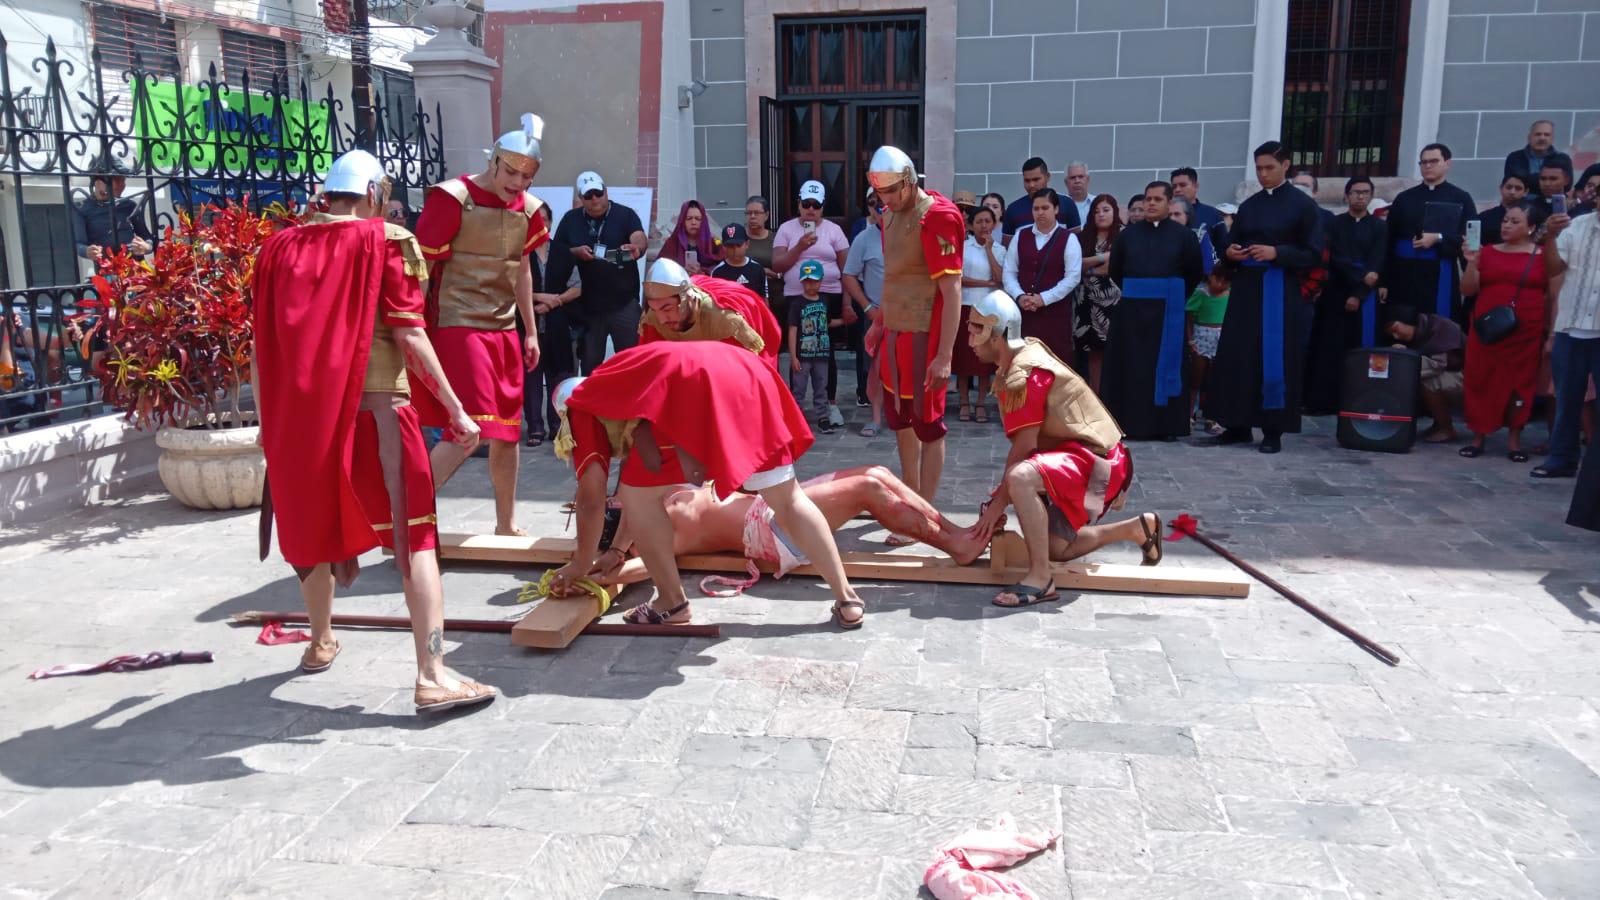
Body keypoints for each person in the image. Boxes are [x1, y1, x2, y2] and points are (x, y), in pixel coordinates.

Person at [252, 149, 497, 713]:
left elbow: (261, 351)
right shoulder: (386, 240)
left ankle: (319, 642)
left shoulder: (276, 251)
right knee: (415, 539)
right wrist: (458, 411)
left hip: (303, 425)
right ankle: (431, 675)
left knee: (310, 531)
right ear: (373, 195)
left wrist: (270, 428)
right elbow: (410, 336)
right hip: (379, 416)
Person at [549, 341, 867, 628]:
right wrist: (617, 550)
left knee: (638, 497)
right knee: (788, 499)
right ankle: (847, 597)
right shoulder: (616, 379)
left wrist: (579, 563)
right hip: (748, 374)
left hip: (705, 386)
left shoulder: (581, 407)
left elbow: (591, 497)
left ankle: (671, 602)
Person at [966, 290, 1162, 607]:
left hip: (1099, 461)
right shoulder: (1018, 359)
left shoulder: (1026, 374)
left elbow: (1025, 448)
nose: (971, 339)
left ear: (999, 333)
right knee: (1056, 548)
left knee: (1020, 478)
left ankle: (1041, 580)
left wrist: (999, 502)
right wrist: (999, 499)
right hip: (1081, 457)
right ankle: (1137, 529)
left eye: (978, 329)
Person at [412, 113, 548, 536]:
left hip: (502, 328)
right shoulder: (453, 198)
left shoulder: (528, 210)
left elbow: (521, 268)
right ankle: (407, 518)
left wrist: (529, 329)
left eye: (526, 176)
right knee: (467, 428)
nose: (517, 182)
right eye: (511, 171)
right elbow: (423, 267)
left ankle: (505, 524)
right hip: (458, 324)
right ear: (493, 161)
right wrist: (412, 327)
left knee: (507, 433)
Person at [578, 466, 1001, 591]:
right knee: (870, 489)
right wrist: (592, 578)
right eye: (616, 504)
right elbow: (644, 569)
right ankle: (956, 546)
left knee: (877, 471)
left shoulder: (658, 496)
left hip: (766, 509)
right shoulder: (659, 531)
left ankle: (956, 533)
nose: (619, 498)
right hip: (768, 533)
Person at [1211, 141, 1325, 454]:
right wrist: (1231, 252)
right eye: (1259, 168)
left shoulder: (1303, 206)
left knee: (1274, 357)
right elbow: (1233, 244)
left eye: (1269, 168)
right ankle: (1237, 425)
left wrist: (1278, 252)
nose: (1263, 175)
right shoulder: (1250, 206)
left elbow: (1314, 252)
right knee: (1239, 354)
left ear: (1285, 165)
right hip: (1247, 289)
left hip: (1279, 289)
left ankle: (1273, 430)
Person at [869, 146, 966, 510]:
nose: (888, 199)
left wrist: (944, 356)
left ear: (910, 181)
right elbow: (895, 277)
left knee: (928, 424)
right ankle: (910, 495)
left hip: (926, 334)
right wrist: (879, 321)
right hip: (896, 334)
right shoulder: (888, 215)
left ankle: (925, 511)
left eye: (893, 191)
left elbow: (951, 289)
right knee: (901, 418)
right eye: (882, 192)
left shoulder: (937, 216)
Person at [1103, 182, 1204, 440]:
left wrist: (1169, 294)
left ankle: (1166, 427)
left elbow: (1193, 272)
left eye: (1157, 199)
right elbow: (1116, 270)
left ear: (1169, 203)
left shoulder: (1184, 236)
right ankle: (1129, 423)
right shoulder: (1128, 235)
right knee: (1132, 367)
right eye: (1148, 199)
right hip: (1132, 314)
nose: (1150, 203)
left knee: (1164, 366)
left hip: (1167, 313)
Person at [1458, 203, 1551, 462]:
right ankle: (1478, 435)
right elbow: (1467, 290)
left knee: (1520, 381)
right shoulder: (1486, 252)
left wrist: (1550, 331)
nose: (1506, 226)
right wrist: (1471, 263)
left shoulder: (1542, 255)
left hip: (1525, 330)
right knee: (1481, 378)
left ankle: (1514, 440)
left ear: (1531, 227)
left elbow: (1551, 292)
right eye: (1505, 220)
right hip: (1489, 328)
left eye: (1514, 222)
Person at [546, 170, 649, 374]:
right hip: (588, 308)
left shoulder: (625, 214)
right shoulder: (570, 220)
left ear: (606, 191)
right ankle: (592, 405)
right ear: (581, 199)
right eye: (588, 196)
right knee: (590, 365)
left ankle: (631, 404)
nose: (594, 199)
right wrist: (575, 252)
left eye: (598, 193)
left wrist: (636, 247)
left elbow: (639, 237)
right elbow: (556, 253)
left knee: (633, 362)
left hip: (623, 304)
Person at [1303, 176, 1389, 415]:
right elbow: (1335, 257)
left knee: (1362, 349)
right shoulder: (1334, 224)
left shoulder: (1380, 227)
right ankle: (1324, 401)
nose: (1360, 196)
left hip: (1366, 298)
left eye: (1364, 192)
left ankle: (1359, 400)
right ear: (1346, 195)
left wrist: (1360, 293)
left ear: (1370, 196)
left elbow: (1378, 262)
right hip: (1335, 292)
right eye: (1355, 192)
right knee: (1328, 348)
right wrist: (1361, 276)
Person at [773, 179, 852, 428]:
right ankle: (794, 407)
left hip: (828, 294)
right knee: (798, 350)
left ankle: (829, 404)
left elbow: (846, 269)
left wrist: (848, 303)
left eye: (815, 205)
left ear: (823, 207)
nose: (810, 210)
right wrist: (800, 246)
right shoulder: (787, 229)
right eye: (806, 204)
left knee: (824, 351)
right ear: (798, 204)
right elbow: (778, 265)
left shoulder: (833, 231)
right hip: (796, 296)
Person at [1533, 208, 1597, 478]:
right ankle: (1562, 458)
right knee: (1567, 399)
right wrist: (1550, 236)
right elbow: (1553, 268)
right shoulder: (1578, 225)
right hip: (1571, 326)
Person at [1386, 143, 1475, 322]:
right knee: (1402, 322)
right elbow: (1388, 239)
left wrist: (1439, 238)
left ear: (1447, 163)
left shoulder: (1460, 197)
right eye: (1423, 162)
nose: (1427, 166)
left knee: (1438, 326)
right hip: (1404, 273)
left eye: (1433, 161)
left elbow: (1472, 238)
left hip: (1440, 273)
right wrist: (1384, 280)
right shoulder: (1404, 198)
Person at [639, 257, 781, 365]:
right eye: (655, 309)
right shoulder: (652, 318)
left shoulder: (725, 321)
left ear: (686, 299)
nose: (662, 319)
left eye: (667, 308)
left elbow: (748, 369)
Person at [1003, 188, 1082, 365]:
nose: (1040, 212)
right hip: (1024, 315)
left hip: (1055, 316)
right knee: (1023, 365)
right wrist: (1020, 295)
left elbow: (1073, 277)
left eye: (1045, 208)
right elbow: (1009, 272)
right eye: (1036, 208)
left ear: (1056, 209)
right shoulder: (1020, 236)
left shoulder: (1069, 239)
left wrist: (1044, 299)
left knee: (1055, 366)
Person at [1382, 304, 1465, 443]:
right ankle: (1438, 424)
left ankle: (1447, 428)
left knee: (1428, 382)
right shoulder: (1421, 331)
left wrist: (1405, 357)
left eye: (1395, 330)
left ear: (1407, 321)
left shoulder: (1440, 327)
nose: (1396, 336)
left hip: (1469, 379)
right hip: (1452, 375)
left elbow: (1437, 364)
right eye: (1392, 335)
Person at [843, 189, 887, 434]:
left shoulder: (910, 235)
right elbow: (848, 275)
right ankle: (876, 417)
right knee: (875, 368)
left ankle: (903, 415)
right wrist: (867, 307)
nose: (881, 210)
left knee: (906, 367)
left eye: (885, 205)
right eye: (876, 206)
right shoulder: (864, 238)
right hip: (877, 314)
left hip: (907, 314)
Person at [957, 204, 1003, 422]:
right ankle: (964, 401)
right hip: (966, 306)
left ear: (994, 224)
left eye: (988, 221)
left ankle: (981, 402)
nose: (984, 225)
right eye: (979, 222)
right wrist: (985, 282)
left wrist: (988, 250)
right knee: (965, 358)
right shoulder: (963, 247)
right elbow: (959, 278)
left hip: (989, 310)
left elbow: (1000, 279)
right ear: (971, 226)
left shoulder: (1000, 249)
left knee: (984, 360)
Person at [1072, 194, 1123, 393]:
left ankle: (1112, 397)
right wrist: (1103, 258)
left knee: (1113, 351)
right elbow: (1077, 265)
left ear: (1115, 212)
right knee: (1092, 352)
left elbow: (1117, 266)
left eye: (1106, 210)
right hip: (1086, 302)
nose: (1100, 214)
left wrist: (1090, 266)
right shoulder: (1082, 237)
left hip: (1114, 303)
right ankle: (1096, 396)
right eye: (1096, 211)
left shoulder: (1123, 236)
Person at [787, 261, 843, 432]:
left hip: (821, 353)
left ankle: (822, 416)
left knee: (821, 386)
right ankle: (796, 417)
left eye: (815, 281)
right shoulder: (797, 304)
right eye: (807, 281)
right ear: (802, 281)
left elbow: (827, 323)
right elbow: (792, 329)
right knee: (799, 388)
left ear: (821, 281)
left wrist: (844, 322)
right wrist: (793, 356)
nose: (811, 285)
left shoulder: (825, 300)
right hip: (803, 355)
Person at [71, 157, 153, 267]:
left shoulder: (128, 205)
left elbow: (148, 238)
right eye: (117, 180)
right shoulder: (82, 208)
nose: (122, 185)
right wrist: (87, 251)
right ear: (97, 180)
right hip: (107, 271)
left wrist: (146, 247)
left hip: (135, 269)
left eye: (123, 180)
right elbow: (78, 244)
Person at [1187, 266, 1230, 435]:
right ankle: (1189, 415)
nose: (1220, 284)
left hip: (1220, 336)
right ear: (1210, 277)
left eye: (1225, 281)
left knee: (1214, 380)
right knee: (1196, 379)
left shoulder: (1229, 295)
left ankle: (1211, 417)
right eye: (1217, 279)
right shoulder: (1200, 293)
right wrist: (1190, 339)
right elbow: (1189, 316)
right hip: (1201, 335)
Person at [741, 195, 785, 314]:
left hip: (775, 297)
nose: (753, 217)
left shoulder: (777, 239)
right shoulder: (739, 240)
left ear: (766, 215)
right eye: (749, 213)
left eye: (757, 213)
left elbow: (786, 267)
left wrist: (778, 275)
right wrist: (759, 271)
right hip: (747, 300)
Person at [655, 199, 721, 275]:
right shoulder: (672, 242)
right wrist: (681, 270)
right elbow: (661, 267)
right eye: (689, 218)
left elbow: (722, 265)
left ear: (703, 221)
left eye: (698, 219)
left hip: (706, 285)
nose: (693, 222)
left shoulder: (714, 241)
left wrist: (702, 272)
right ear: (682, 221)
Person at [1002, 158, 1054, 246]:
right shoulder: (1013, 210)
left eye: (1036, 179)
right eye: (1027, 180)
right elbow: (1007, 248)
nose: (1031, 185)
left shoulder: (1067, 204)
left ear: (1047, 177)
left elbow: (1076, 244)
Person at [1505, 119, 1573, 184]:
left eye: (1546, 135)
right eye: (1538, 134)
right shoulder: (1515, 158)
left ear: (1552, 139)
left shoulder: (1563, 159)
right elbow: (1512, 183)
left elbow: (1567, 185)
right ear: (1529, 138)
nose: (1542, 138)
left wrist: (1528, 179)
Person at [1478, 174, 1532, 247]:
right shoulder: (1484, 218)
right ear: (1501, 188)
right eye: (1509, 187)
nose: (1512, 192)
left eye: (1518, 188)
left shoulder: (1532, 217)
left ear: (1526, 192)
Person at [710, 224, 766, 290]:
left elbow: (763, 298)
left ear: (747, 244)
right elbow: (714, 297)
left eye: (738, 245)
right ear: (724, 247)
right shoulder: (717, 272)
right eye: (731, 246)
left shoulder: (757, 269)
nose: (735, 250)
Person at [1171, 167, 1223, 231]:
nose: (1177, 190)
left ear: (1196, 186)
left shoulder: (1213, 214)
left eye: (1183, 185)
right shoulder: (1164, 215)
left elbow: (1222, 240)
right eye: (1174, 187)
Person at [1062, 162, 1092, 230]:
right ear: (1066, 182)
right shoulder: (1060, 205)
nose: (1077, 181)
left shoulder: (1097, 203)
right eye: (1072, 178)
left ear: (1088, 179)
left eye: (1081, 177)